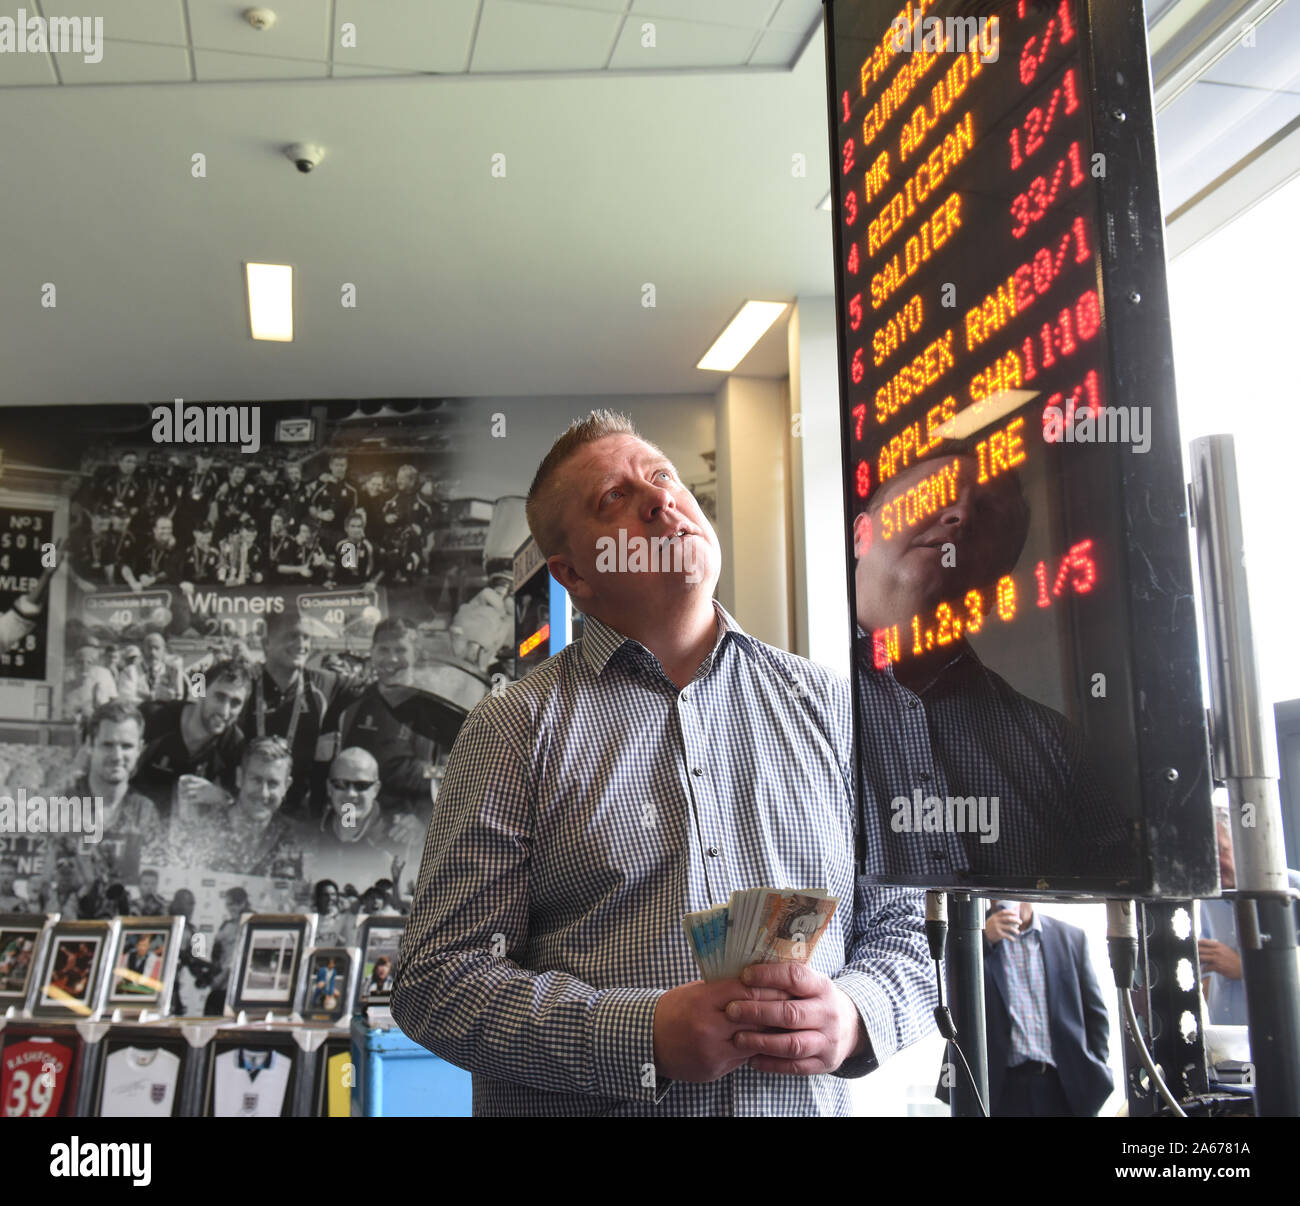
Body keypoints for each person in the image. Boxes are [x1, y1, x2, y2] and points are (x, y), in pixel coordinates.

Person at [391, 410, 935, 1117]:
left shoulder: (841, 711)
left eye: (663, 476)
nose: (660, 500)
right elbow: (434, 981)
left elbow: (907, 933)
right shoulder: (512, 729)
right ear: (573, 575)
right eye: (612, 499)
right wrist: (638, 1036)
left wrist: (857, 1017)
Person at [850, 448, 1132, 883]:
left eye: (986, 510)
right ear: (861, 535)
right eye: (934, 494)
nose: (961, 513)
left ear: (1004, 567)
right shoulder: (772, 709)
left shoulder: (1056, 745)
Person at [939, 901, 1112, 1117]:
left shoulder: (1070, 938)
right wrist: (980, 940)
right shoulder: (970, 936)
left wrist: (1094, 1065)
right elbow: (948, 992)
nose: (1002, 898)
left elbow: (1096, 1016)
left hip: (1064, 1084)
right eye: (994, 892)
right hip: (1000, 1087)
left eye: (1009, 889)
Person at [240, 612, 365, 819]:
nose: (301, 644)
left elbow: (377, 690)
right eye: (292, 636)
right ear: (266, 643)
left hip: (304, 817)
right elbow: (198, 681)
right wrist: (221, 668)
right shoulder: (245, 681)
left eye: (306, 637)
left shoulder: (327, 684)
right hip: (250, 809)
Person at [337, 618, 462, 822]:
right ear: (372, 652)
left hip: (407, 829)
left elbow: (451, 775)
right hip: (360, 823)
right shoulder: (355, 703)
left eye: (400, 650)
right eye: (383, 650)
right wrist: (346, 824)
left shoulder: (439, 708)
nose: (391, 659)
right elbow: (342, 775)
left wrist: (423, 821)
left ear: (416, 654)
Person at [1198, 808, 1300, 1026]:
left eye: (1221, 851)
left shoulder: (1292, 888)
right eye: (1205, 854)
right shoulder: (1210, 898)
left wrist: (1244, 968)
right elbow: (1208, 968)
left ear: (1244, 845)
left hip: (1285, 1038)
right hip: (1230, 1040)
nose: (1213, 863)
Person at [133, 657, 252, 820]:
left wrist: (223, 798)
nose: (225, 712)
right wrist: (90, 836)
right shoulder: (153, 719)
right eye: (219, 697)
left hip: (182, 837)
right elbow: (91, 770)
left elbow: (245, 810)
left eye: (235, 703)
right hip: (132, 826)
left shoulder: (233, 744)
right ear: (200, 692)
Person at [67, 700, 166, 884]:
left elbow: (154, 873)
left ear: (140, 750)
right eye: (107, 744)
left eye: (126, 746)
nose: (117, 756)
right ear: (90, 745)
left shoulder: (144, 812)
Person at [64, 639, 118, 723]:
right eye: (80, 662)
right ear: (75, 664)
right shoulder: (67, 678)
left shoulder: (105, 674)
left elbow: (113, 700)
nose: (84, 666)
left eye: (88, 662)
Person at [140, 632, 186, 703]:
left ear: (163, 650)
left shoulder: (173, 670)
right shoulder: (132, 671)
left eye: (157, 648)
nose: (152, 652)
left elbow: (178, 696)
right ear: (143, 650)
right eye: (149, 648)